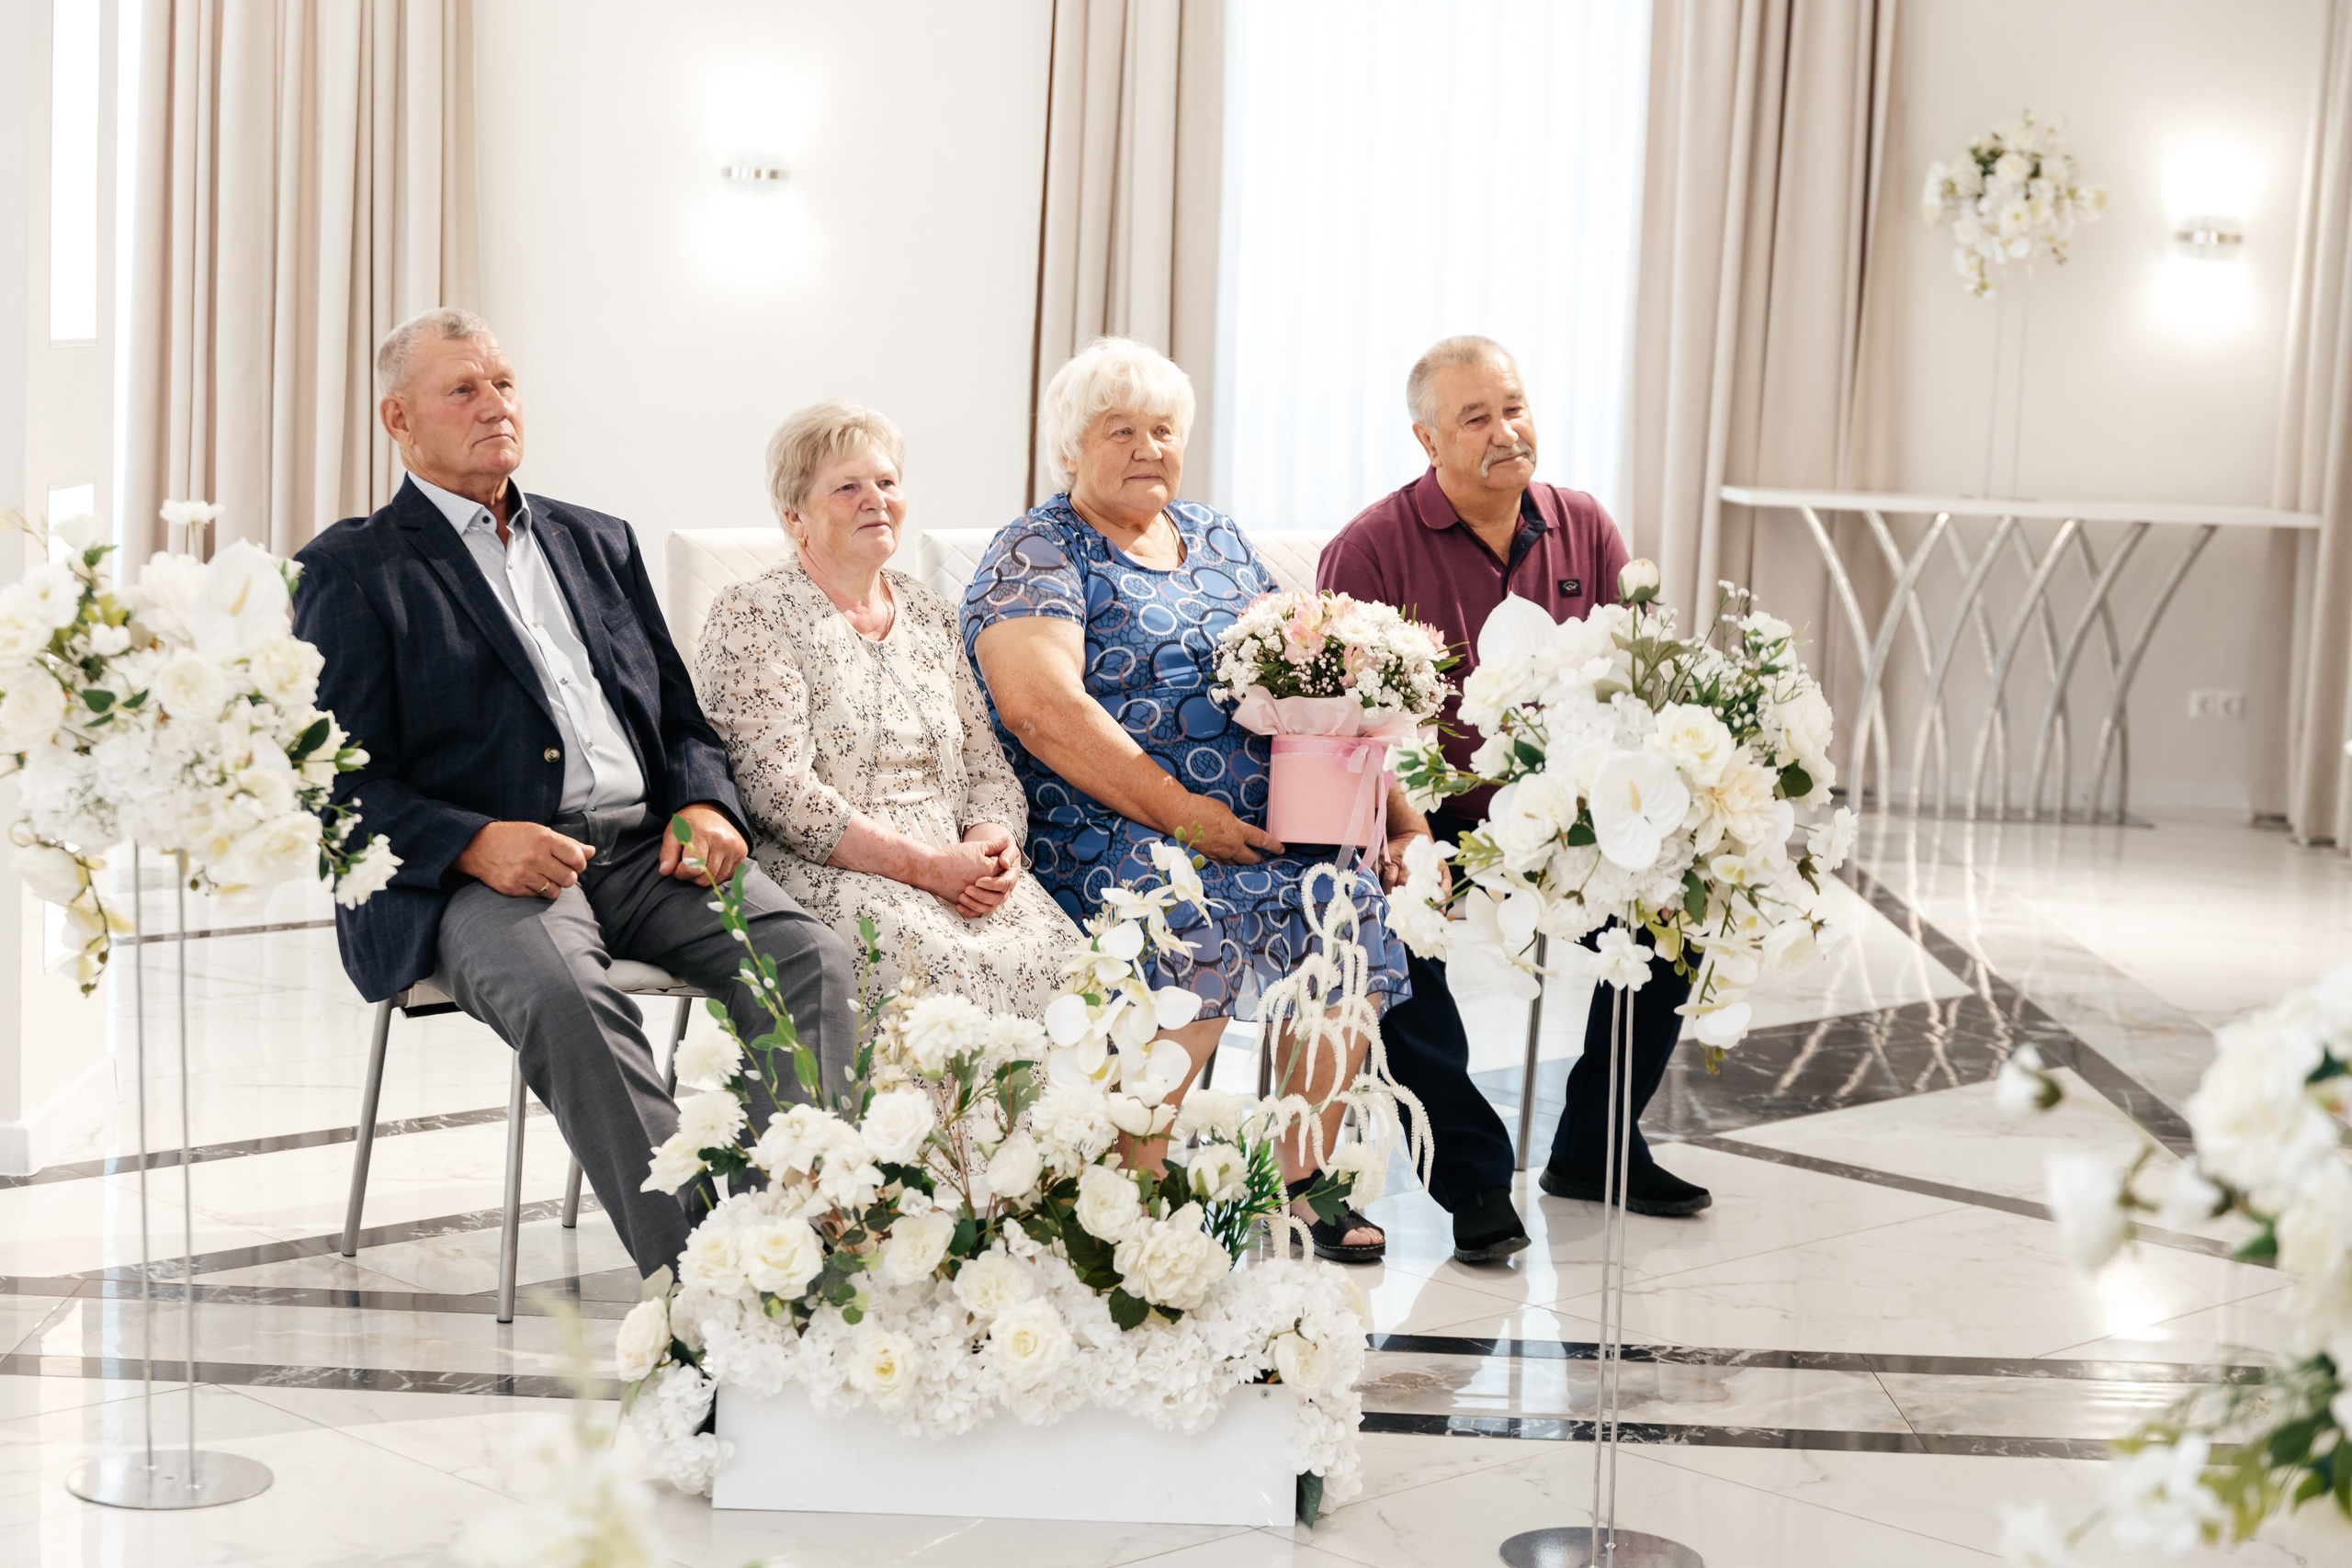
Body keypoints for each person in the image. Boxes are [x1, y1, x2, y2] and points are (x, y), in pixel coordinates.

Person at [294, 307, 856, 1279]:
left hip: (644, 851)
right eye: (462, 388)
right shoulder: (352, 570)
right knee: (568, 998)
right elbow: (331, 781)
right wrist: (471, 842)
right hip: (481, 881)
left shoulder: (595, 540)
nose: (494, 405)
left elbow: (682, 719)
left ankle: (795, 1257)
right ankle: (699, 1285)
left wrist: (706, 804)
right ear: (398, 419)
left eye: (504, 383)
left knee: (804, 956)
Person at [961, 337, 1422, 1262]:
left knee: (1347, 903)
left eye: (1163, 430)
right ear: (1068, 448)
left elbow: (1315, 684)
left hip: (1263, 822)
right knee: (1191, 920)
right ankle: (1131, 1180)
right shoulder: (1038, 549)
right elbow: (1043, 711)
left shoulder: (1214, 537)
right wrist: (1183, 814)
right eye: (1119, 429)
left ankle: (1304, 1181)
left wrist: (1399, 823)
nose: (1146, 448)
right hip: (1106, 827)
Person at [1317, 334, 1708, 1254]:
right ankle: (1473, 1181)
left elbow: (1636, 682)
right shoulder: (1368, 550)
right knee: (1395, 930)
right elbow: (1350, 729)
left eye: (1514, 406)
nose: (1506, 431)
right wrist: (1408, 838)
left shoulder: (1583, 524)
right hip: (1429, 820)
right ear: (1428, 440)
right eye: (1475, 417)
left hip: (1572, 817)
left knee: (1682, 911)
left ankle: (1595, 1143)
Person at [696, 400, 1079, 1014]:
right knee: (940, 970)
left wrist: (992, 845)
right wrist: (929, 869)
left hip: (957, 869)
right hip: (829, 869)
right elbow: (778, 791)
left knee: (1071, 964)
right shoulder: (754, 611)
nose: (875, 498)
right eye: (847, 487)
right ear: (796, 517)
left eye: (887, 481)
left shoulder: (928, 610)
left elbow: (987, 766)